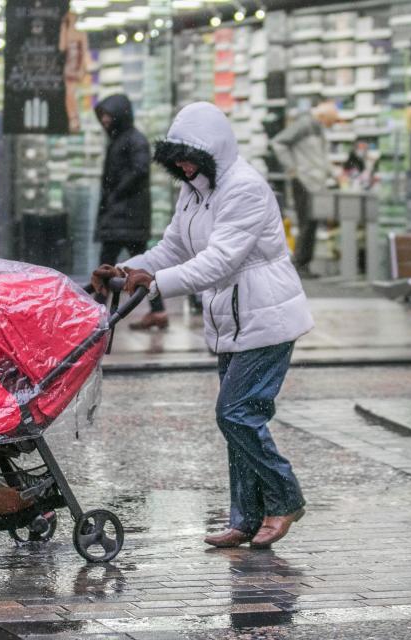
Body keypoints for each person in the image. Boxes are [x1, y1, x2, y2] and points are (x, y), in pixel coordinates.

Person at [92, 102, 314, 548]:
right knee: (238, 420)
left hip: (265, 316)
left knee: (235, 414)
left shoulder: (244, 188)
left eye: (192, 158)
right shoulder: (194, 189)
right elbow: (172, 248)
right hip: (230, 318)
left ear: (215, 151)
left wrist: (153, 286)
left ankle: (285, 497)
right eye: (178, 161)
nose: (185, 167)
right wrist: (125, 269)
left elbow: (218, 261)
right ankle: (246, 518)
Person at [93, 93, 168, 330]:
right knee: (135, 266)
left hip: (124, 216)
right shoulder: (124, 139)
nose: (105, 120)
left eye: (108, 115)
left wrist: (116, 194)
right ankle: (158, 312)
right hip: (126, 217)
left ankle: (93, 314)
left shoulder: (132, 140)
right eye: (102, 116)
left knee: (108, 265)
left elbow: (139, 170)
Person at [270, 101, 339, 279]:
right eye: (331, 121)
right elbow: (279, 142)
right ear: (323, 117)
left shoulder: (318, 129)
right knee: (306, 223)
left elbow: (320, 157)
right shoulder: (304, 125)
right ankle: (299, 265)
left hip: (315, 183)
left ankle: (304, 264)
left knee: (312, 223)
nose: (332, 125)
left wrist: (333, 173)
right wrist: (292, 169)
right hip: (303, 182)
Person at [59, 12, 88, 133]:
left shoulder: (81, 35)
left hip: (76, 67)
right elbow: (62, 47)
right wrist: (63, 28)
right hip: (69, 68)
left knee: (72, 94)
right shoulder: (67, 34)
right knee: (69, 95)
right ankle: (73, 118)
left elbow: (84, 52)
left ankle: (74, 118)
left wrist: (82, 68)